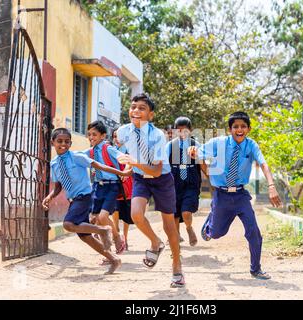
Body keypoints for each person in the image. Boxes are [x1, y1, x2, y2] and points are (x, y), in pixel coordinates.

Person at [188, 111, 282, 280]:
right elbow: (199, 152)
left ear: (249, 129)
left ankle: (256, 269)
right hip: (221, 196)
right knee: (217, 234)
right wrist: (193, 151)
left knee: (253, 231)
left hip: (241, 196)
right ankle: (210, 225)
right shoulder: (218, 143)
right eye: (236, 126)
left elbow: (263, 164)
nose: (239, 129)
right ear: (230, 129)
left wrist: (271, 185)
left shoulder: (251, 145)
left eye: (243, 126)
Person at [116, 93, 185, 288]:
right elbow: (131, 152)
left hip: (161, 180)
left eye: (142, 108)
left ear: (151, 115)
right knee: (136, 214)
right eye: (133, 107)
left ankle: (177, 267)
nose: (136, 111)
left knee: (169, 226)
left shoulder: (157, 136)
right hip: (140, 179)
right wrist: (128, 169)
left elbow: (155, 170)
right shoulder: (124, 131)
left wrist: (133, 163)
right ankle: (155, 243)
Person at [42, 128, 131, 274]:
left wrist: (121, 173)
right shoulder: (54, 164)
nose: (63, 144)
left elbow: (98, 165)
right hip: (73, 200)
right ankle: (114, 259)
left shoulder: (77, 156)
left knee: (68, 224)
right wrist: (49, 197)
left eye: (66, 141)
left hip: (85, 196)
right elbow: (58, 186)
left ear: (70, 143)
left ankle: (103, 230)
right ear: (53, 142)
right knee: (84, 236)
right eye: (59, 141)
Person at [84, 121, 127, 257]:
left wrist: (125, 170)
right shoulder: (90, 152)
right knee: (96, 218)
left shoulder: (108, 149)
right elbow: (77, 156)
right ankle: (107, 252)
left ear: (102, 136)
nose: (91, 137)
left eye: (94, 134)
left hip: (111, 185)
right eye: (89, 134)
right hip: (97, 186)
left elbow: (123, 158)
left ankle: (116, 238)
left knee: (103, 217)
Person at [166, 116, 207, 247]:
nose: (182, 133)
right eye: (179, 130)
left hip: (191, 182)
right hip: (174, 182)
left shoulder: (197, 146)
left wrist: (213, 181)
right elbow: (163, 164)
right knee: (174, 213)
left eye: (185, 131)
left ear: (191, 131)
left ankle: (189, 228)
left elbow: (203, 165)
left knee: (186, 211)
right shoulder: (170, 146)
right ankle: (176, 238)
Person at [111, 128, 134, 251]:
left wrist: (124, 173)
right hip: (114, 183)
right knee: (115, 209)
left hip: (127, 184)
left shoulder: (129, 150)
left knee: (126, 213)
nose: (117, 139)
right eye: (114, 136)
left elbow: (129, 164)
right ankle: (117, 233)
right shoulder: (111, 150)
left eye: (119, 136)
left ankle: (125, 237)